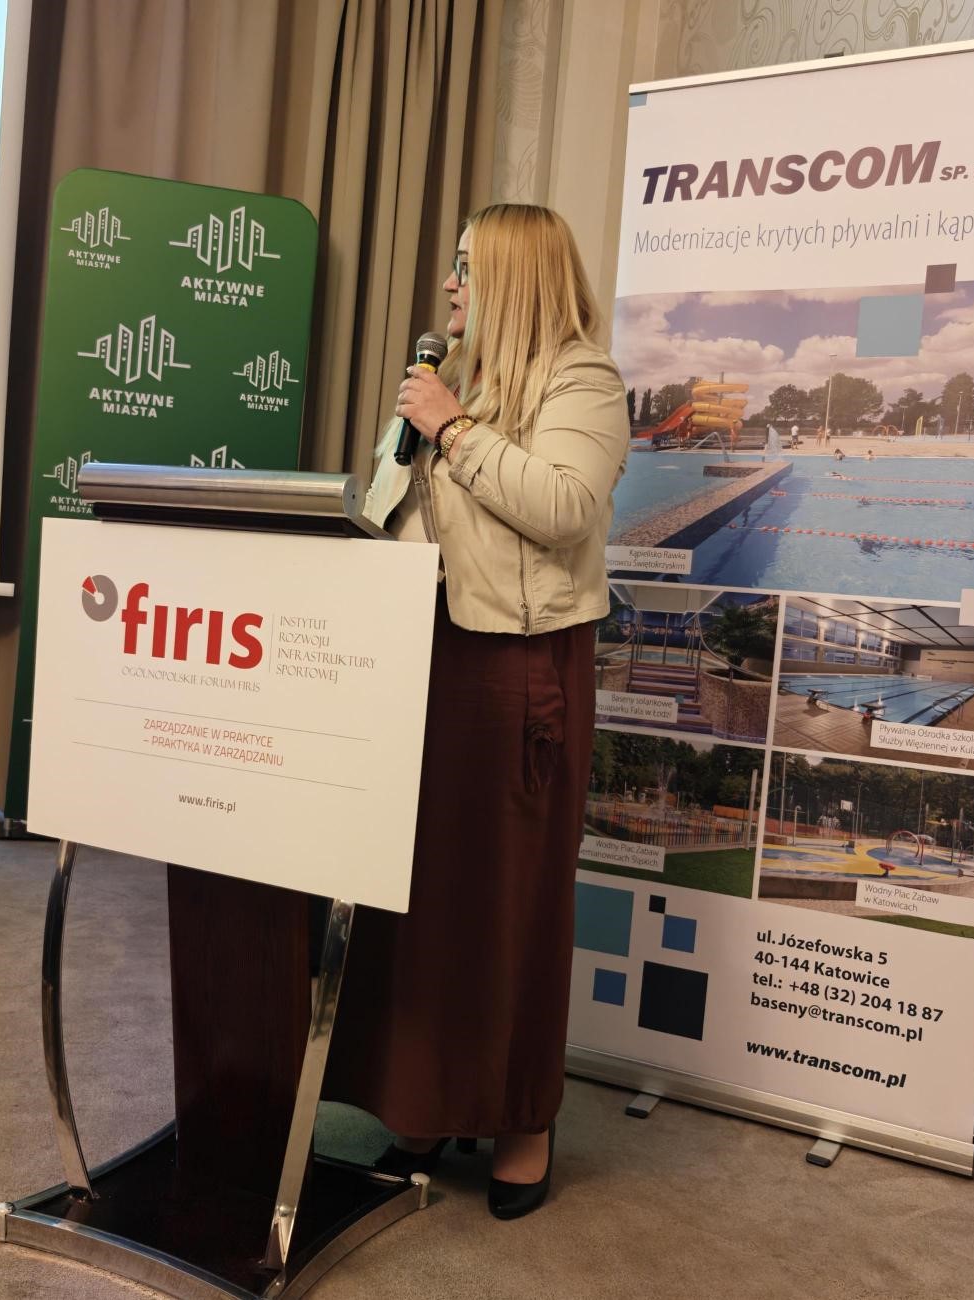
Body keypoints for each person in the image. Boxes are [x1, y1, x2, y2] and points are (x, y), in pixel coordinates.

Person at [324, 204, 630, 1220]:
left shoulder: (581, 379)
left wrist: (451, 429)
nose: (450, 284)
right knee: (424, 897)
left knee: (509, 903)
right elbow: (391, 510)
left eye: (465, 266)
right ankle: (424, 1101)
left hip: (518, 666)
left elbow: (564, 508)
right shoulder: (459, 379)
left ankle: (520, 1120)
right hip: (425, 653)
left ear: (512, 273)